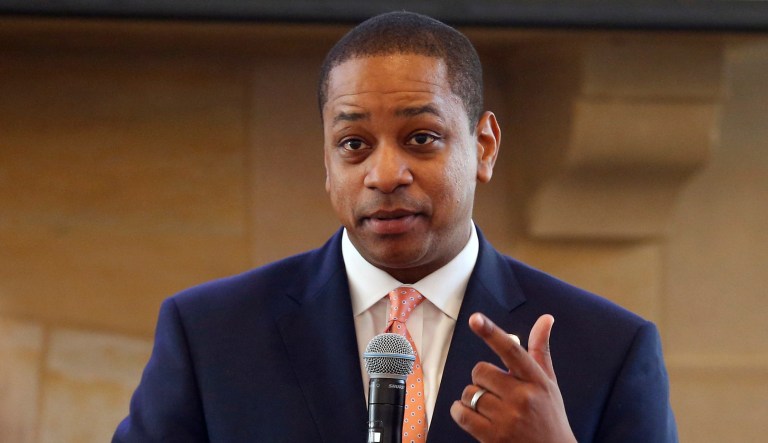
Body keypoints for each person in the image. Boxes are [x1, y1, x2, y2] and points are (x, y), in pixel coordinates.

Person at [113, 11, 677, 443]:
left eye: (421, 138)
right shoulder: (211, 334)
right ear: (327, 163)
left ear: (483, 147)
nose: (385, 175)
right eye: (353, 145)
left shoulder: (609, 348)